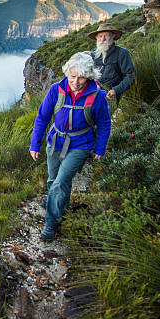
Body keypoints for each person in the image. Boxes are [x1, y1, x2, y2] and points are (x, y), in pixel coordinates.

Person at [29, 52, 111, 240]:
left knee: (60, 182)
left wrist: (100, 148)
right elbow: (42, 117)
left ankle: (51, 223)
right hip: (56, 141)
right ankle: (55, 202)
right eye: (72, 76)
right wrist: (35, 144)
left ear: (89, 76)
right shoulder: (56, 90)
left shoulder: (97, 96)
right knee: (53, 179)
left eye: (81, 77)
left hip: (80, 144)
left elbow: (105, 123)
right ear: (67, 73)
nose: (75, 82)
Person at [88, 23, 136, 108]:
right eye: (100, 36)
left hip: (116, 98)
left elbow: (130, 75)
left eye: (106, 35)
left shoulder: (122, 53)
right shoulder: (92, 55)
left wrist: (116, 90)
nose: (103, 39)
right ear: (96, 38)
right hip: (95, 97)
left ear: (113, 36)